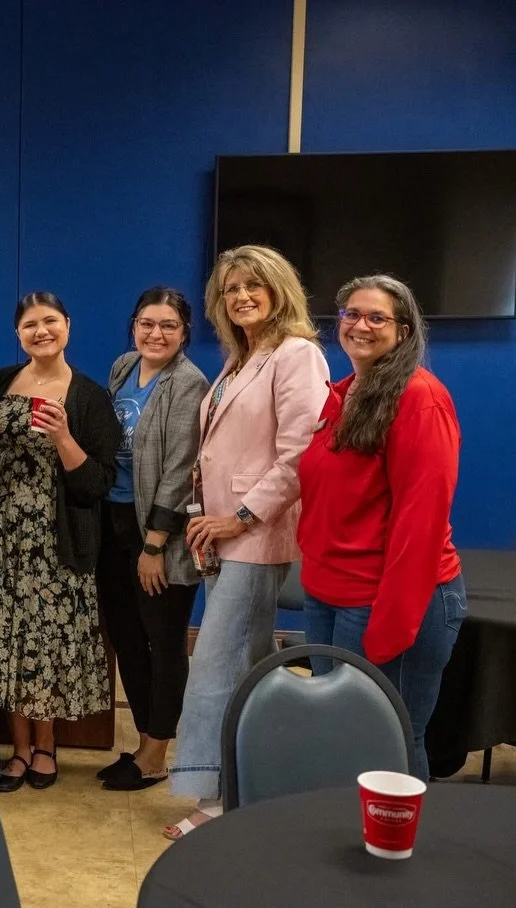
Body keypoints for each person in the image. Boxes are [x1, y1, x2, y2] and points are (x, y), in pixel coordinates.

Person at [164, 245, 329, 840]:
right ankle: (249, 784)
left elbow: (301, 453)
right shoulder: (242, 359)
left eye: (253, 285)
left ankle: (218, 797)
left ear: (279, 288)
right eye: (231, 289)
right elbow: (222, 453)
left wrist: (239, 515)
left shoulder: (297, 354)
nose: (241, 297)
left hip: (255, 535)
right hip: (221, 534)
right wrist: (205, 514)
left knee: (218, 665)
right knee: (243, 663)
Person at [298, 275, 465, 779]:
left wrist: (392, 626)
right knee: (340, 728)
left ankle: (396, 850)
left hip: (385, 600)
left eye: (377, 317)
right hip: (328, 592)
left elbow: (422, 518)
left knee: (385, 735)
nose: (360, 325)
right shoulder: (345, 394)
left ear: (405, 330)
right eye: (351, 314)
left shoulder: (419, 398)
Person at [0, 291, 122, 792]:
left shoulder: (87, 396)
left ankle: (46, 746)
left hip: (57, 543)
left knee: (47, 645)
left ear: (68, 326)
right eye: (30, 325)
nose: (41, 331)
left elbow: (97, 483)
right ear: (17, 334)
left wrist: (63, 437)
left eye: (50, 321)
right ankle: (16, 751)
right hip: (1, 538)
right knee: (8, 644)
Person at [96, 288, 210, 791]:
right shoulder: (124, 367)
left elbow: (182, 469)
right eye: (146, 323)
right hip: (115, 523)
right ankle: (144, 740)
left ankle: (157, 753)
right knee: (125, 638)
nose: (155, 334)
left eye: (167, 326)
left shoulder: (188, 383)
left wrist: (155, 544)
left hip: (159, 536)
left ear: (184, 332)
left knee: (163, 643)